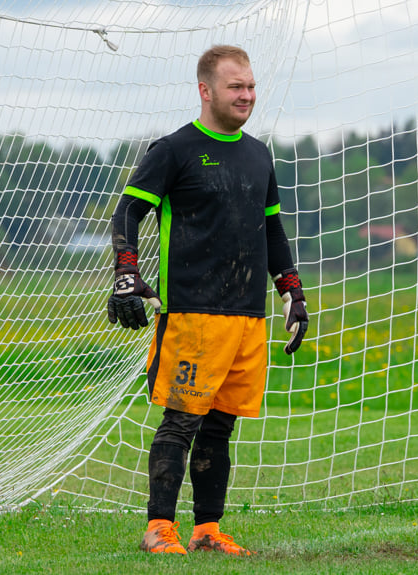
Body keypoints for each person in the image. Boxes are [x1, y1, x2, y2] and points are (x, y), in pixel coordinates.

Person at [106, 44, 308, 556]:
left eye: (250, 86)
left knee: (221, 425)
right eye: (235, 87)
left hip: (246, 316)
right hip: (193, 313)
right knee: (181, 420)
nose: (247, 95)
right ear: (206, 90)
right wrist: (126, 272)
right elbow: (127, 212)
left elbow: (273, 229)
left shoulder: (259, 154)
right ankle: (159, 527)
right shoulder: (173, 150)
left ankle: (207, 530)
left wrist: (291, 290)